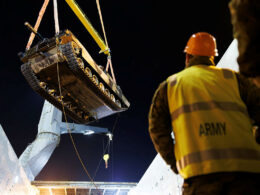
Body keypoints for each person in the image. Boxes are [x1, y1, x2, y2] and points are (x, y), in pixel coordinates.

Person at [148, 32, 260, 195]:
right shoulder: (235, 80)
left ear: (188, 57)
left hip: (200, 182)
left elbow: (156, 129)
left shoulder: (171, 86)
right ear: (212, 58)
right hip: (246, 180)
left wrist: (176, 163)